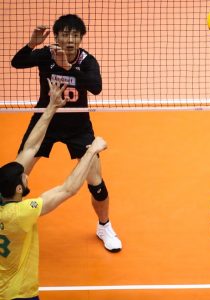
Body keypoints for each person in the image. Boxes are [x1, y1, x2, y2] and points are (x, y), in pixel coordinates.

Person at [11, 14, 121, 252]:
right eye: (65, 34)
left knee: (96, 183)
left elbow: (96, 87)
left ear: (81, 37)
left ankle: (104, 225)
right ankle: (11, 224)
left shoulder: (87, 61)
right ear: (57, 36)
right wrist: (32, 44)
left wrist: (69, 68)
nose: (70, 39)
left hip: (78, 127)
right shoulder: (46, 55)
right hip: (45, 121)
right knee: (15, 177)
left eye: (75, 35)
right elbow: (17, 62)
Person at [0, 80, 108, 300]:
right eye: (24, 176)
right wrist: (91, 151)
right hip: (18, 294)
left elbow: (30, 148)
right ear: (19, 188)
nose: (27, 173)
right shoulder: (22, 213)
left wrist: (51, 107)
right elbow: (68, 189)